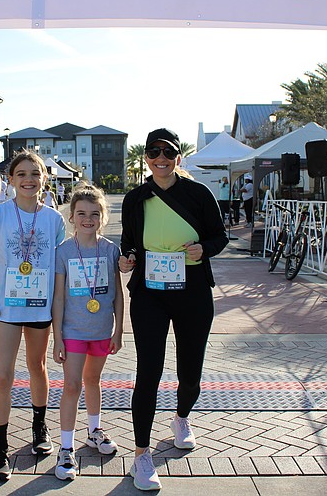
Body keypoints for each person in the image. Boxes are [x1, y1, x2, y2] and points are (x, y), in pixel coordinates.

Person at [118, 128, 228, 491]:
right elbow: (129, 241)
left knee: (190, 371)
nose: (161, 158)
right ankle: (141, 454)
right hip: (150, 291)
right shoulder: (136, 198)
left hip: (192, 290)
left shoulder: (198, 193)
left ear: (178, 158)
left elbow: (220, 236)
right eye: (154, 152)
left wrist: (204, 249)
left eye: (168, 152)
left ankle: (181, 417)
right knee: (148, 371)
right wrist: (128, 258)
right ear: (146, 158)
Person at [0, 150, 66, 481]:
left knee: (37, 366)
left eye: (35, 173)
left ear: (45, 179)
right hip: (7, 307)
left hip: (40, 306)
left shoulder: (54, 219)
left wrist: (59, 311)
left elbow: (59, 268)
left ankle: (39, 426)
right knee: (3, 376)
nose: (29, 180)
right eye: (22, 174)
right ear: (10, 179)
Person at [52, 183, 124, 481]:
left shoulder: (110, 250)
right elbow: (58, 297)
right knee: (72, 386)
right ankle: (66, 448)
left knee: (93, 381)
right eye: (81, 213)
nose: (88, 219)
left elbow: (118, 294)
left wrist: (119, 330)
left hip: (101, 330)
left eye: (94, 214)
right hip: (73, 331)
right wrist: (57, 337)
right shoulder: (63, 251)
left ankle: (94, 431)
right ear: (71, 216)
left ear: (102, 217)